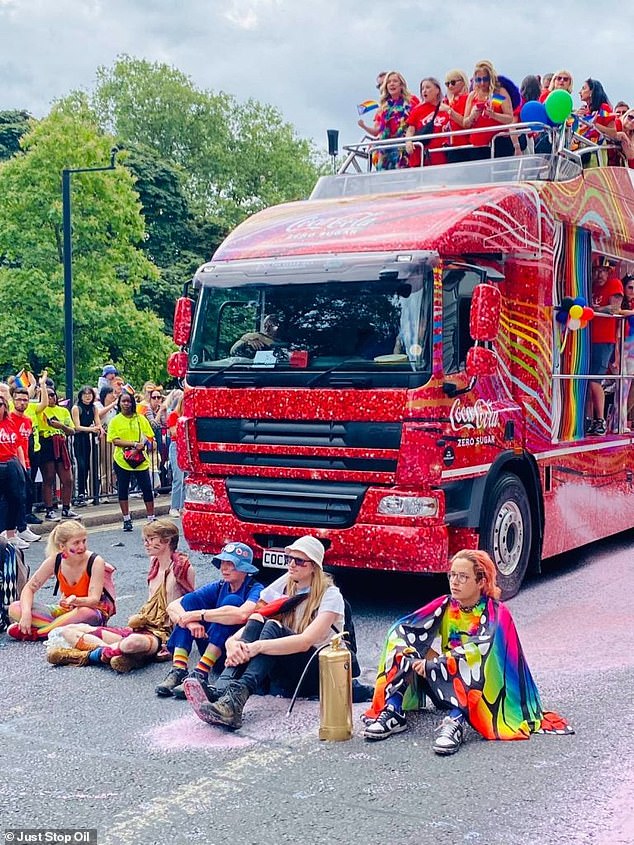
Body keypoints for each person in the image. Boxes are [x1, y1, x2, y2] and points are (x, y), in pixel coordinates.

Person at [363, 549, 573, 753]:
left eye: (463, 577)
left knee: (472, 660)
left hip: (482, 691)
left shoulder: (497, 613)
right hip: (444, 678)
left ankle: (456, 720)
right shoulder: (446, 603)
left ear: (481, 582)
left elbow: (481, 649)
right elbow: (405, 628)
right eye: (452, 575)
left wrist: (434, 664)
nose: (454, 582)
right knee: (399, 637)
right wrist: (417, 656)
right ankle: (393, 709)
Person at [184, 535, 344, 730]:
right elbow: (259, 612)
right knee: (259, 619)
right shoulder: (289, 582)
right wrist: (233, 643)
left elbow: (305, 641)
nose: (291, 565)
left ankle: (234, 699)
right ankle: (223, 690)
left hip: (317, 671)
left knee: (272, 627)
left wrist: (256, 647)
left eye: (299, 561)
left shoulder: (331, 595)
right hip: (288, 665)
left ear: (314, 567)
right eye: (289, 559)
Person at [46, 518, 195, 672]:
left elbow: (192, 603)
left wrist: (178, 642)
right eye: (146, 539)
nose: (146, 543)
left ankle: (83, 656)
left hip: (163, 636)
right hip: (141, 629)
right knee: (68, 630)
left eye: (151, 539)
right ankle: (125, 656)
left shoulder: (182, 568)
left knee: (131, 644)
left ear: (167, 541)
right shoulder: (154, 562)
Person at [155, 541, 263, 698]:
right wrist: (190, 621)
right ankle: (179, 668)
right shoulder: (219, 585)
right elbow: (173, 606)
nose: (223, 568)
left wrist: (199, 615)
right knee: (189, 603)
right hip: (211, 645)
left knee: (230, 605)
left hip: (233, 651)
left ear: (244, 569)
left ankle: (201, 672)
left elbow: (242, 615)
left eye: (230, 564)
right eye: (222, 563)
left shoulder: (255, 589)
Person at [7, 520, 114, 641]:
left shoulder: (95, 561)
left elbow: (94, 600)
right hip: (66, 611)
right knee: (15, 608)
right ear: (62, 547)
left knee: (86, 612)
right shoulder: (55, 560)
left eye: (84, 541)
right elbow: (29, 588)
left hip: (91, 611)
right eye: (76, 543)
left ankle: (37, 633)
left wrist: (75, 600)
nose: (82, 547)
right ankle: (59, 628)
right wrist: (26, 614)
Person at [106, 388, 155, 530]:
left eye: (128, 401)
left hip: (140, 460)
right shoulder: (115, 421)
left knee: (147, 488)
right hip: (122, 459)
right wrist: (133, 445)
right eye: (123, 401)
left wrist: (144, 445)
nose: (126, 404)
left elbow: (150, 437)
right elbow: (114, 440)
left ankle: (151, 518)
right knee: (123, 489)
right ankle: (126, 519)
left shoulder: (140, 419)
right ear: (119, 403)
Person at [34, 371, 79, 521]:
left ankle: (66, 507)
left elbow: (72, 430)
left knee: (68, 478)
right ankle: (49, 509)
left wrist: (60, 426)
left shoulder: (63, 411)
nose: (51, 397)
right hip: (46, 443)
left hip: (60, 442)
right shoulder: (40, 409)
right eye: (48, 395)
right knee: (49, 478)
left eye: (53, 395)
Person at [588, 257, 624, 434]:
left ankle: (600, 419)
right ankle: (588, 419)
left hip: (604, 338)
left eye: (602, 270)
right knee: (584, 379)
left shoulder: (615, 283)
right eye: (596, 270)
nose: (598, 274)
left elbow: (615, 308)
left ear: (609, 271)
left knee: (594, 378)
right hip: (587, 338)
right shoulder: (592, 287)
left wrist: (591, 311)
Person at [358, 71, 418, 171]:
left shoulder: (412, 101)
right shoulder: (383, 107)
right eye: (389, 82)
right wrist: (364, 126)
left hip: (403, 148)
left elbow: (417, 122)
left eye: (395, 81)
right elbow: (377, 131)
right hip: (385, 150)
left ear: (401, 85)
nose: (392, 84)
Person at [8, 386, 40, 547]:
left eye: (25, 399)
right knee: (15, 497)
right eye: (19, 399)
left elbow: (26, 444)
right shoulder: (9, 419)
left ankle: (22, 527)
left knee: (24, 496)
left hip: (26, 461)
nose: (22, 402)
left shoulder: (28, 420)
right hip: (14, 462)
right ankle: (14, 530)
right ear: (13, 400)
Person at [463, 60, 515, 159]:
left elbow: (509, 118)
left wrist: (493, 115)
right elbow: (465, 123)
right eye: (478, 80)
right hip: (478, 146)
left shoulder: (498, 93)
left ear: (490, 78)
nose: (482, 83)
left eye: (485, 79)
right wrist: (472, 116)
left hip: (499, 144)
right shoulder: (472, 96)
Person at [0, 393, 26, 549]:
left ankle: (11, 533)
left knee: (16, 498)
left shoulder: (9, 423)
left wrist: (21, 466)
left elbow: (17, 446)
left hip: (10, 463)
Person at [405, 77, 447, 167]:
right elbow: (410, 130)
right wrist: (408, 141)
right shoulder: (417, 110)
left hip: (441, 155)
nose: (424, 91)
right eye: (422, 88)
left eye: (428, 87)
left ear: (437, 90)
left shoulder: (446, 107)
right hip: (423, 156)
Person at [71, 386, 102, 503]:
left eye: (90, 394)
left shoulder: (94, 408)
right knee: (80, 465)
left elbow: (97, 423)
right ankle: (78, 493)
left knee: (88, 466)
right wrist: (92, 429)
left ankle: (84, 493)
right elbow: (77, 426)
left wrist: (99, 429)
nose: (88, 396)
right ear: (81, 396)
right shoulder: (76, 408)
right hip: (77, 439)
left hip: (87, 440)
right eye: (85, 394)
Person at [440, 69, 470, 163]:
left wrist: (449, 110)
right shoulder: (446, 101)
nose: (450, 86)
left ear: (462, 82)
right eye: (447, 84)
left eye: (453, 83)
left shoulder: (467, 99)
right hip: (449, 146)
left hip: (464, 146)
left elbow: (465, 122)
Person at [617, 274, 634, 430]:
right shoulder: (622, 303)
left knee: (629, 387)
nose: (633, 291)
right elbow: (617, 311)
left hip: (632, 351)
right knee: (623, 385)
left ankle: (624, 420)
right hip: (624, 349)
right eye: (630, 287)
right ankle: (619, 422)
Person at [165, 389, 185, 517]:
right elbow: (174, 433)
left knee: (187, 478)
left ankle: (183, 506)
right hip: (177, 446)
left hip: (186, 446)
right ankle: (174, 506)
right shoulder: (173, 415)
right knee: (178, 477)